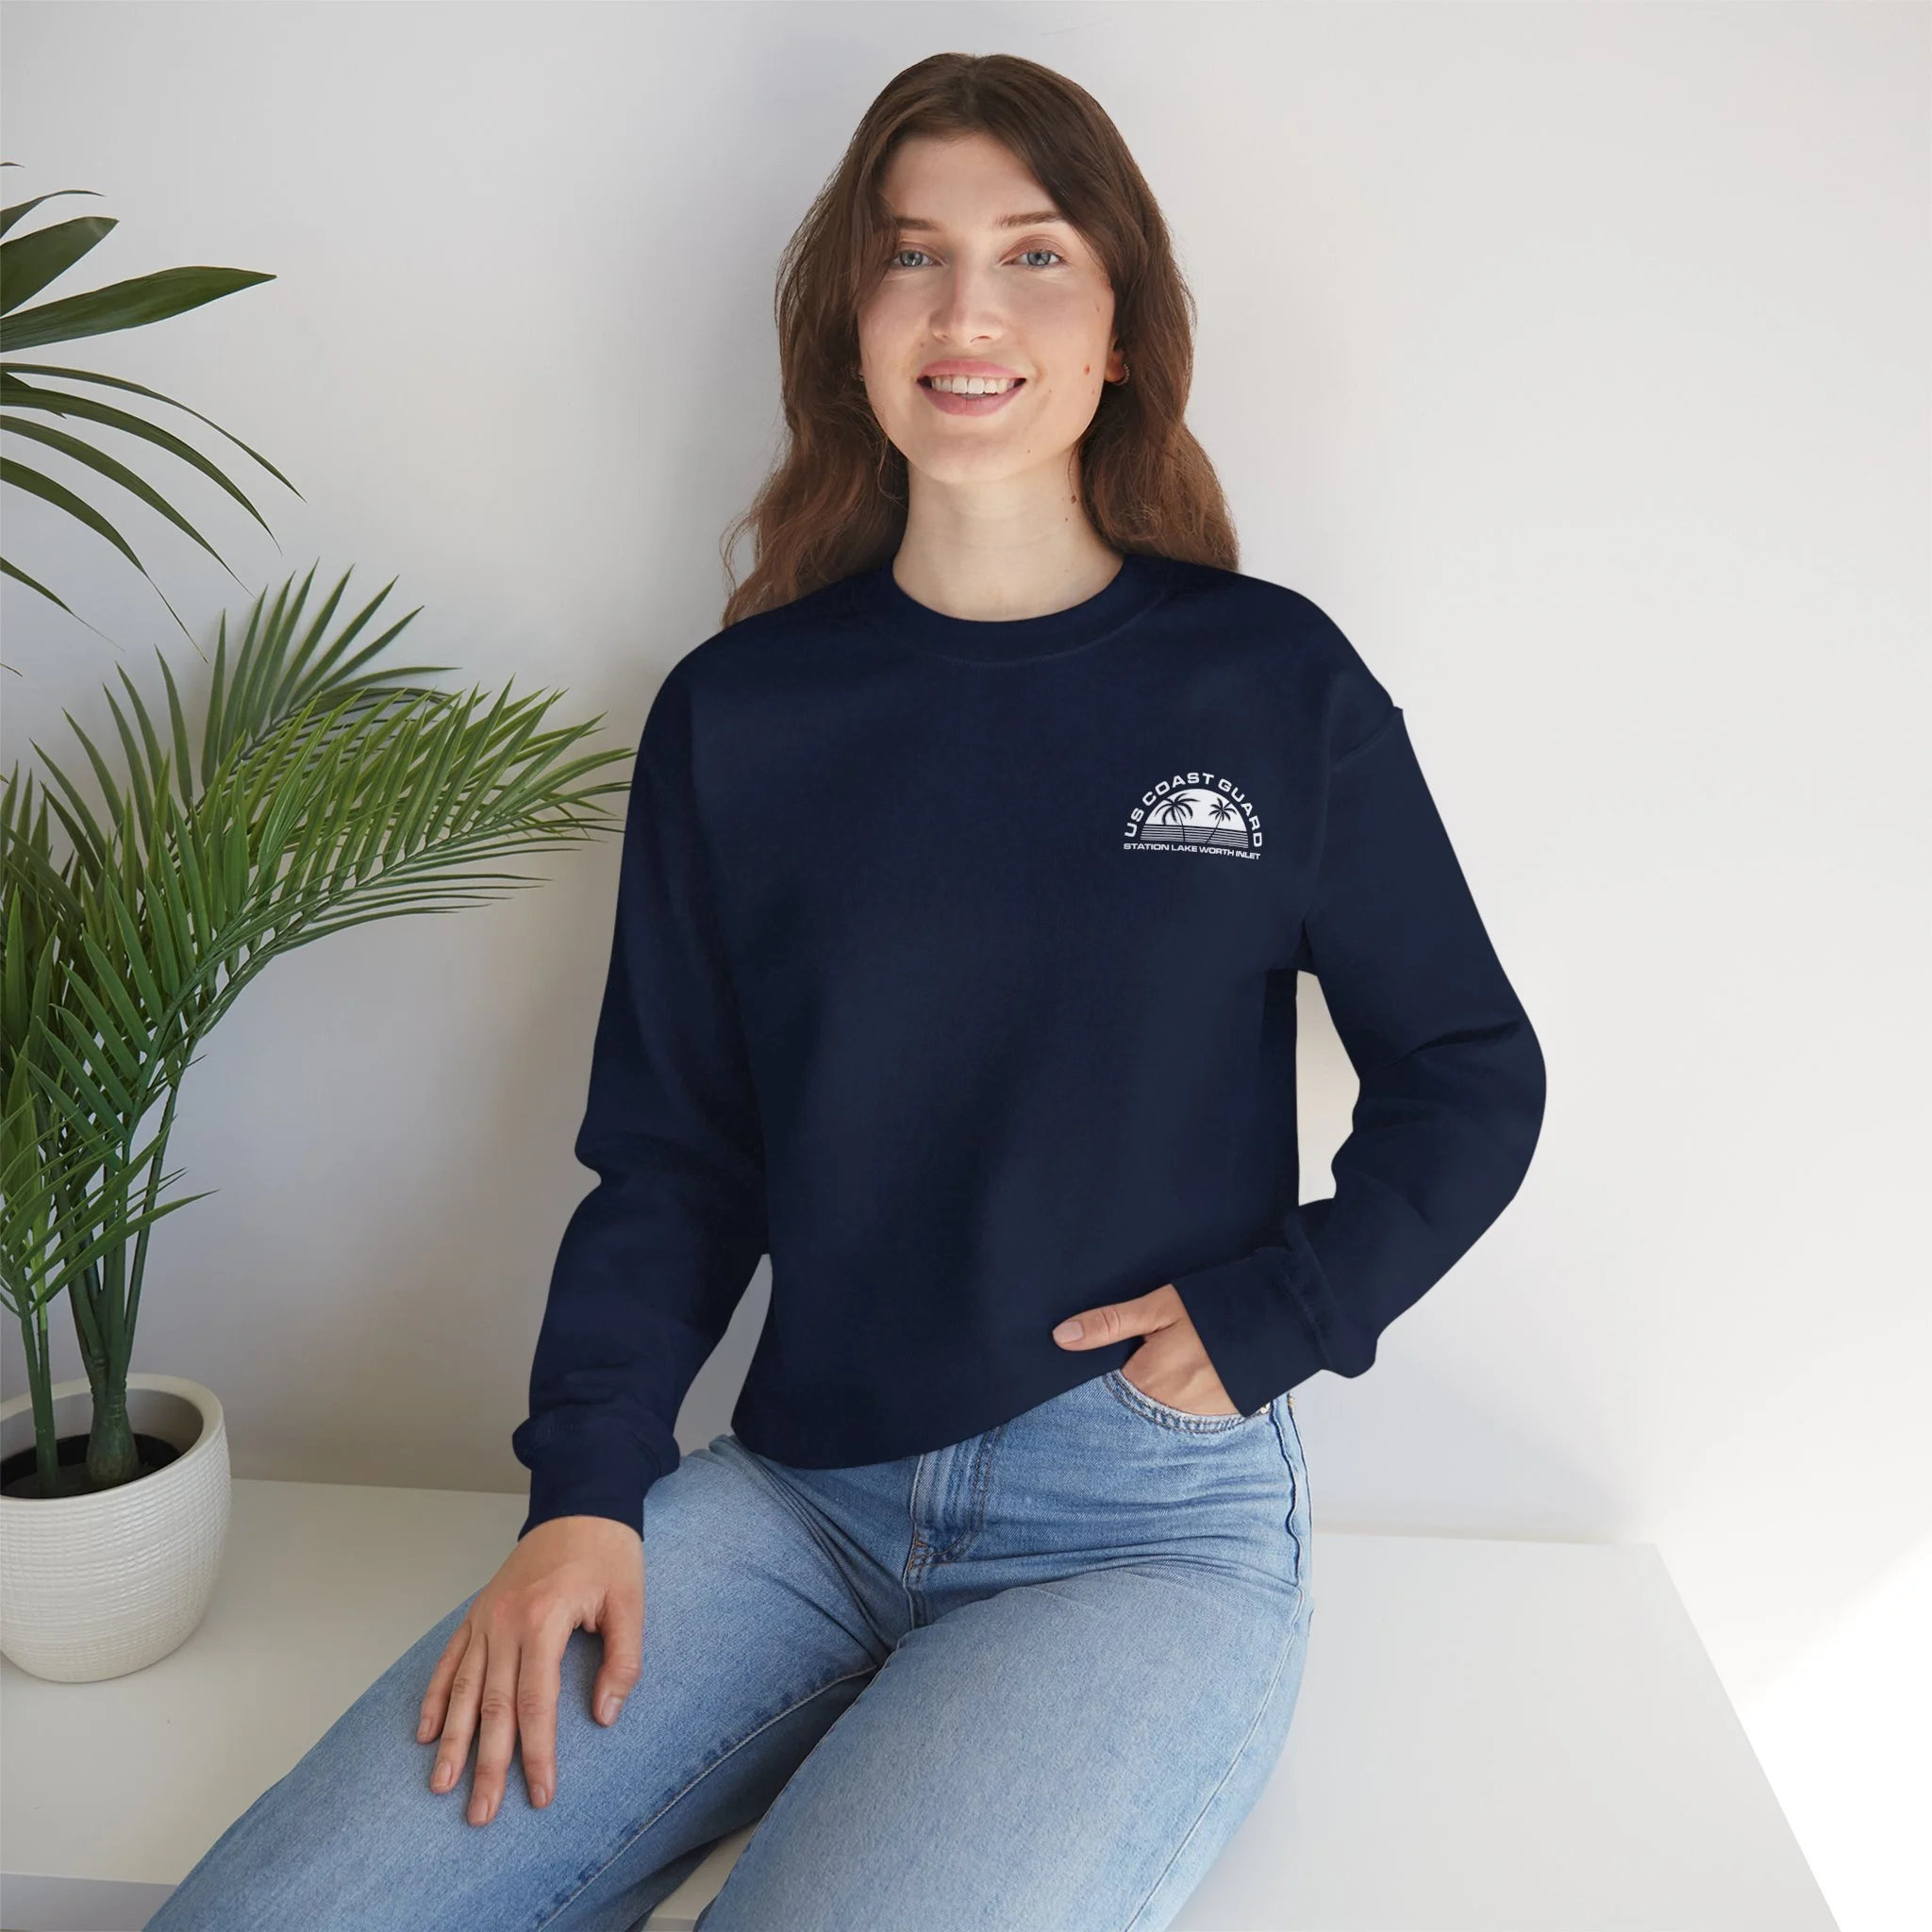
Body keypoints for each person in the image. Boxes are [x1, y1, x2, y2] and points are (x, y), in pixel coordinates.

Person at [147, 50, 1545, 1932]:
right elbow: (676, 1156)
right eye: (911, 256)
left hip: (1137, 1526)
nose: (967, 310)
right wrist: (585, 1491)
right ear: (851, 324)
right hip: (794, 1495)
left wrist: (1285, 1307)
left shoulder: (1268, 683)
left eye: (1033, 255)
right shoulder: (742, 713)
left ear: (1120, 329)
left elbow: (1469, 1070)